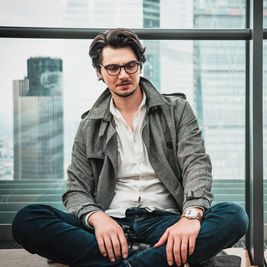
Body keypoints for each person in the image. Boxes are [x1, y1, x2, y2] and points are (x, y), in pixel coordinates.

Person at [12, 28, 248, 267]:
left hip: (167, 224)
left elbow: (196, 165)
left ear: (140, 66)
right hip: (109, 227)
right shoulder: (89, 125)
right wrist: (98, 218)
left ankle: (123, 263)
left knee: (234, 216)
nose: (123, 74)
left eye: (130, 66)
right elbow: (76, 190)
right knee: (28, 220)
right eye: (113, 68)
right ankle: (154, 261)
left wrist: (190, 217)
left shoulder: (177, 110)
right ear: (99, 72)